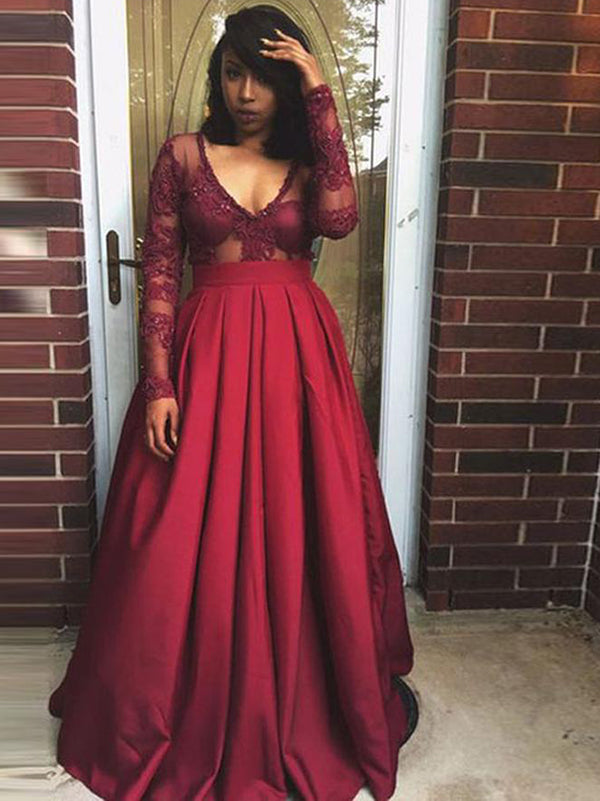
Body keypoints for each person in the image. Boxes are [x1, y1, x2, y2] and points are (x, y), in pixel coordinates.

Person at [48, 4, 416, 799]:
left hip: (297, 360)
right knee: (175, 528)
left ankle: (312, 687)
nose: (246, 92)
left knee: (307, 512)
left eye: (264, 77)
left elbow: (340, 220)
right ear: (218, 80)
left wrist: (319, 89)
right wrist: (159, 382)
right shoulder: (183, 154)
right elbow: (160, 266)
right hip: (206, 355)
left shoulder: (311, 162)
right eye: (233, 73)